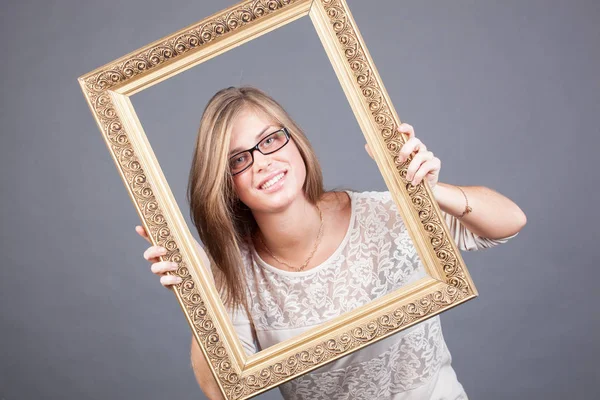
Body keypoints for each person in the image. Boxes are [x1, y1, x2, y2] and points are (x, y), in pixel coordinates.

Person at [135, 86, 526, 400]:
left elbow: (509, 222)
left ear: (296, 141)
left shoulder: (386, 213)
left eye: (270, 140)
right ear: (224, 183)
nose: (262, 162)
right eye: (238, 159)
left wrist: (430, 192)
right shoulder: (235, 274)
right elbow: (221, 390)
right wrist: (204, 296)